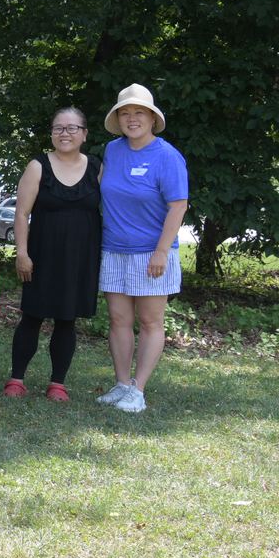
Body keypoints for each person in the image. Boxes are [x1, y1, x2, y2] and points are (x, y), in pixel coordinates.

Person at [97, 84, 188, 414]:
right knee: (118, 320)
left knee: (150, 322)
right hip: (114, 249)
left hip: (152, 253)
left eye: (139, 113)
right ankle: (122, 384)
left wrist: (161, 252)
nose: (131, 118)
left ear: (152, 118)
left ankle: (138, 389)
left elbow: (178, 206)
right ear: (117, 118)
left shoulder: (167, 156)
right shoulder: (112, 150)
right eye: (125, 113)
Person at [7, 107, 101, 402]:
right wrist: (22, 252)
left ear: (84, 134)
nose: (65, 133)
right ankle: (16, 379)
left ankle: (57, 383)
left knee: (67, 319)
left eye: (72, 128)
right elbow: (21, 214)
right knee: (32, 317)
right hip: (42, 254)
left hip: (81, 257)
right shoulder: (38, 166)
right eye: (59, 128)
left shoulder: (97, 168)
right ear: (51, 134)